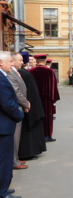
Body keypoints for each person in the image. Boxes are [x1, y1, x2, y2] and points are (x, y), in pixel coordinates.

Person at [0, 51, 24, 198]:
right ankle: (2, 192)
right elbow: (7, 104)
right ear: (0, 63)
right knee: (4, 160)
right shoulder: (1, 79)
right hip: (3, 127)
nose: (12, 63)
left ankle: (3, 187)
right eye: (9, 61)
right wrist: (19, 115)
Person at [18, 52, 47, 160]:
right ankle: (29, 152)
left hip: (27, 104)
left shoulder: (27, 73)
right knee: (29, 130)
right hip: (29, 105)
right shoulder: (26, 74)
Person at [29, 54, 60, 142]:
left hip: (34, 98)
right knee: (47, 117)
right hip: (47, 98)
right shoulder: (50, 71)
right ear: (45, 61)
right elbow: (54, 86)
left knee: (36, 116)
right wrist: (54, 98)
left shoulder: (31, 71)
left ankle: (37, 135)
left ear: (36, 61)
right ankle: (47, 135)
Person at [8, 53, 30, 170]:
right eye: (20, 60)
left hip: (18, 106)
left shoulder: (15, 72)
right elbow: (16, 91)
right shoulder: (10, 73)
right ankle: (14, 162)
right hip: (15, 107)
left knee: (17, 136)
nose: (23, 62)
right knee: (14, 136)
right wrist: (25, 103)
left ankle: (15, 159)